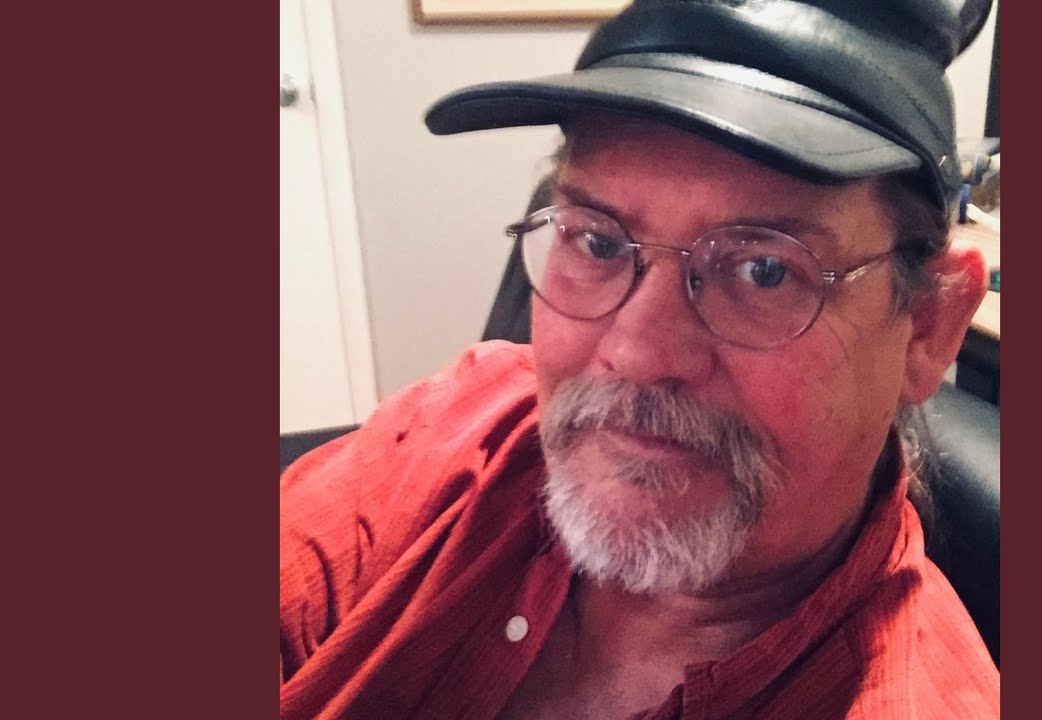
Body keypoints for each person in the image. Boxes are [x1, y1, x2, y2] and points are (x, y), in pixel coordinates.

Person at [279, 1, 999, 717]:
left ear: (928, 327)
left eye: (765, 271)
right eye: (597, 242)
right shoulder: (466, 422)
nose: (635, 352)